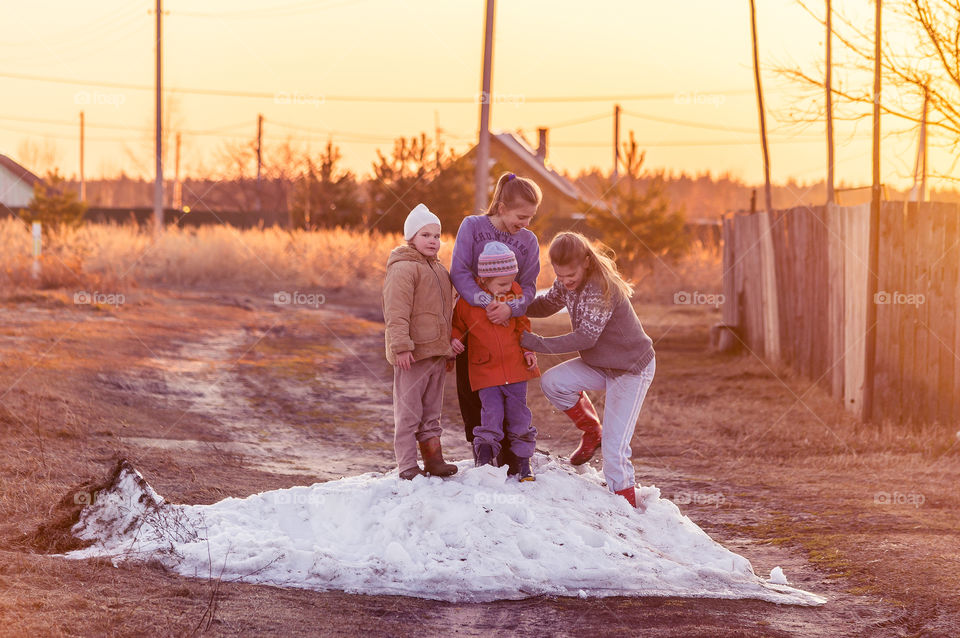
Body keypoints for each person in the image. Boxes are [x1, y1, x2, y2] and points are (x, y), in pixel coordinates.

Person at [520, 232, 656, 508]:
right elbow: (547, 304)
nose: (565, 282)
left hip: (630, 369)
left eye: (570, 276)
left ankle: (625, 507)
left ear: (585, 261)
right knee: (553, 382)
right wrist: (515, 307)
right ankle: (591, 430)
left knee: (615, 448)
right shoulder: (567, 283)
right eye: (560, 276)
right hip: (600, 364)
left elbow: (585, 338)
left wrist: (537, 343)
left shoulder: (599, 288)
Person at [450, 172, 542, 472]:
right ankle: (482, 452)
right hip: (474, 325)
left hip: (507, 329)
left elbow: (528, 287)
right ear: (502, 207)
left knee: (512, 393)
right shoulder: (472, 226)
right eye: (521, 216)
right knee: (475, 390)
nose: (526, 223)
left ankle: (513, 454)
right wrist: (484, 301)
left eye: (531, 217)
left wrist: (510, 309)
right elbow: (460, 271)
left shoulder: (528, 242)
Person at [382, 203, 459, 480]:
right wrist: (401, 346)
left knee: (431, 411)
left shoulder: (439, 271)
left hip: (436, 353)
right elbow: (396, 311)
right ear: (411, 237)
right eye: (425, 235)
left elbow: (445, 313)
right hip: (412, 355)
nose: (433, 241)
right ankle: (407, 465)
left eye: (437, 236)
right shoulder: (403, 268)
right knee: (409, 411)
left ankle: (433, 459)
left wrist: (448, 348)